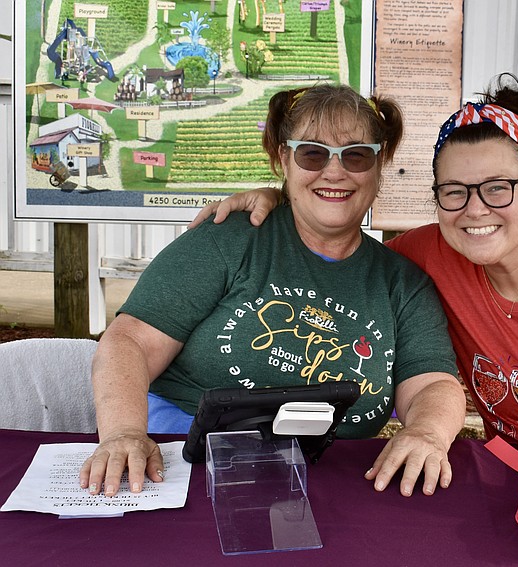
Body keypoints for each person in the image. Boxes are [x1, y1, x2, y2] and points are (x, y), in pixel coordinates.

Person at [191, 73, 518, 447]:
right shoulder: (424, 256)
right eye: (455, 191)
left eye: (498, 188)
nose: (475, 210)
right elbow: (338, 249)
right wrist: (281, 197)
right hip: (515, 474)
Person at [79, 84, 467, 499]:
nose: (334, 171)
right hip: (179, 469)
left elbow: (432, 385)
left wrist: (427, 432)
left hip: (334, 484)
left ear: (380, 163)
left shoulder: (402, 283)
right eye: (312, 154)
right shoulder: (228, 240)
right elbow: (130, 341)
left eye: (356, 154)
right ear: (284, 159)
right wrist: (124, 433)